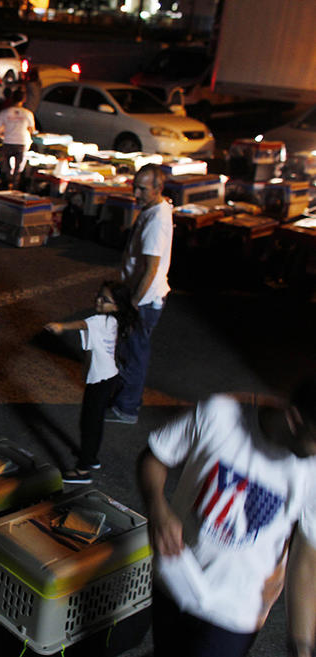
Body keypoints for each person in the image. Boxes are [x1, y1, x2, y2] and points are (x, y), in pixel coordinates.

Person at [137, 376, 316, 657]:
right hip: (175, 578)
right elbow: (154, 457)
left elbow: (307, 559)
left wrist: (301, 644)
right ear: (295, 421)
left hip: (237, 612)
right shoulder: (218, 415)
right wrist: (158, 508)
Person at [44, 281, 139, 483]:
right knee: (94, 421)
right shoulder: (112, 321)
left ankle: (83, 470)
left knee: (88, 423)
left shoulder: (99, 321)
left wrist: (61, 326)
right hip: (107, 377)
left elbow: (82, 324)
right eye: (99, 296)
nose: (99, 301)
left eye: (105, 300)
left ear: (116, 306)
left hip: (100, 379)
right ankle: (91, 457)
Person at [107, 163, 172, 424]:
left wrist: (133, 302)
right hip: (141, 296)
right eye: (134, 187)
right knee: (129, 350)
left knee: (132, 354)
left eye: (142, 189)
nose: (136, 193)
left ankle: (126, 408)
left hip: (143, 300)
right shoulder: (154, 209)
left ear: (158, 188)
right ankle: (124, 400)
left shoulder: (156, 220)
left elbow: (151, 268)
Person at [0, 88, 36, 190]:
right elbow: (31, 130)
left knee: (7, 168)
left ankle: (7, 185)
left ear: (11, 98)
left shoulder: (4, 112)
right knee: (18, 169)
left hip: (8, 142)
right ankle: (15, 187)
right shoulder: (28, 113)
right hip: (22, 143)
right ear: (24, 99)